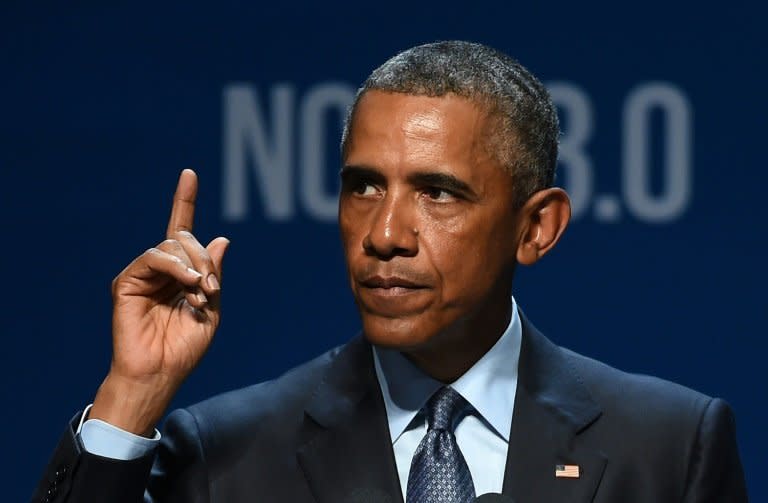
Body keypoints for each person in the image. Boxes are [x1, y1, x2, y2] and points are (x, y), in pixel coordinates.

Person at [32, 41, 747, 503]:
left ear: (536, 227)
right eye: (363, 186)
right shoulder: (222, 455)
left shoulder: (669, 447)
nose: (383, 234)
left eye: (437, 193)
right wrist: (132, 395)